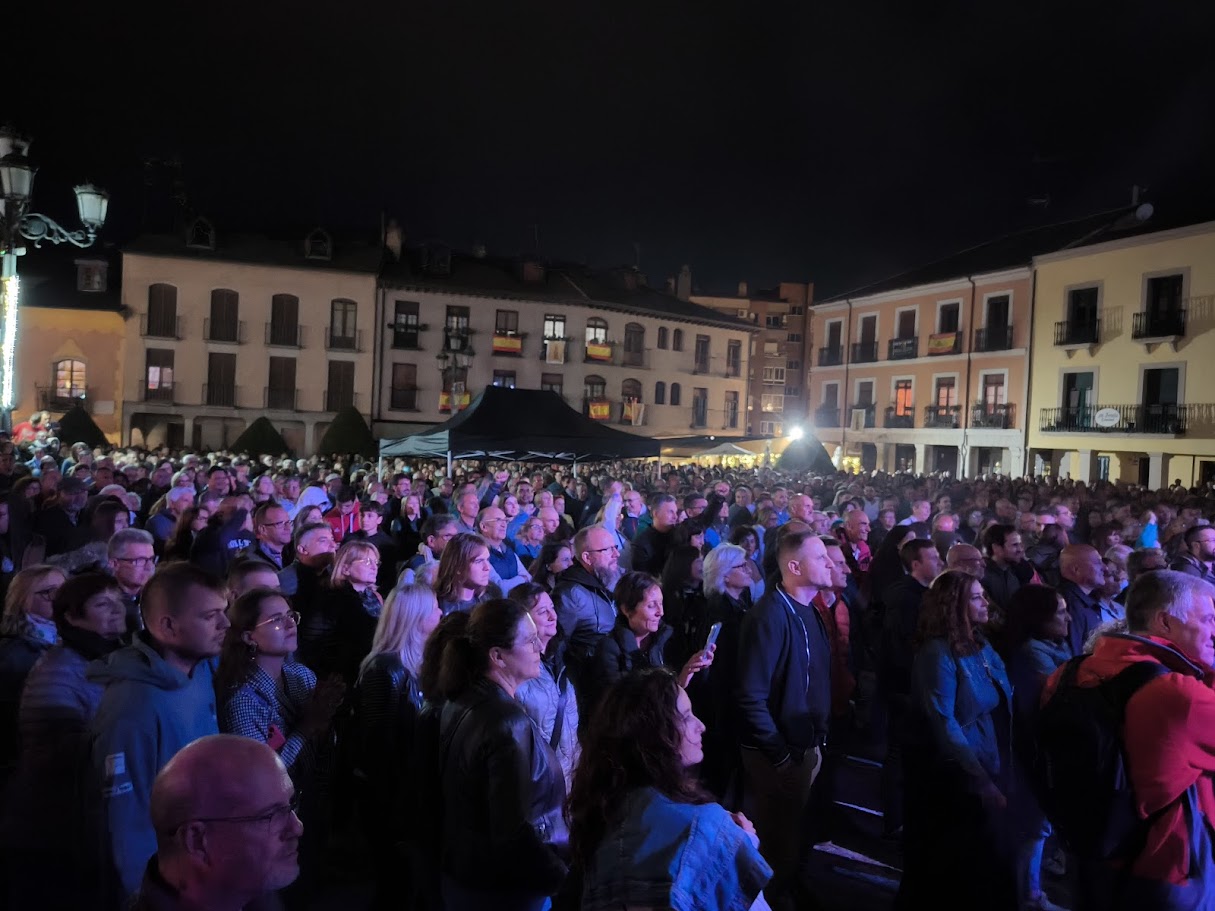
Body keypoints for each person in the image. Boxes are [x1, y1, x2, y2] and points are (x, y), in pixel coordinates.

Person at [568, 667, 772, 911]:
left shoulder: (600, 821)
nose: (701, 725)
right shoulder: (708, 825)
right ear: (652, 735)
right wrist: (743, 842)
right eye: (686, 716)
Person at [89, 562, 231, 902]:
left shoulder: (200, 672)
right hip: (167, 886)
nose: (225, 624)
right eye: (211, 615)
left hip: (203, 865)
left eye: (224, 612)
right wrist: (145, 896)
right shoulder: (132, 707)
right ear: (168, 626)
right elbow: (126, 819)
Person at [431, 599, 568, 910]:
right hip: (504, 891)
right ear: (497, 656)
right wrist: (561, 878)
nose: (540, 648)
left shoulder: (461, 700)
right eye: (530, 641)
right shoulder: (508, 722)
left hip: (466, 876)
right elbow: (513, 830)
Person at [0, 571, 126, 907]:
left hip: (87, 820)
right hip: (56, 826)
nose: (117, 610)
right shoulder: (58, 669)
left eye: (118, 602)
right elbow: (56, 754)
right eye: (102, 604)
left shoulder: (107, 658)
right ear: (71, 616)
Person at [897, 570, 1015, 911]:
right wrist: (980, 780)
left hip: (987, 760)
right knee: (949, 866)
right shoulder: (938, 653)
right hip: (954, 776)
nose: (985, 602)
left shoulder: (980, 644)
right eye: (977, 597)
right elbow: (944, 721)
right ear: (955, 605)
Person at [734, 528, 835, 911]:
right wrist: (778, 756)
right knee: (775, 847)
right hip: (776, 754)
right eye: (820, 558)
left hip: (805, 746)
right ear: (794, 567)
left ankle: (789, 890)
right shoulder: (769, 617)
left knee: (794, 837)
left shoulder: (810, 609)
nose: (828, 563)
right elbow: (750, 696)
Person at [135, 734, 302, 910]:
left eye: (290, 804)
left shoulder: (253, 889)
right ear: (197, 841)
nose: (297, 827)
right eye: (271, 815)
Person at [354, 583, 442, 910]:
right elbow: (377, 745)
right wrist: (399, 802)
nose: (441, 612)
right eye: (434, 608)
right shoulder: (384, 669)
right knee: (396, 884)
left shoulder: (418, 664)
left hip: (411, 792)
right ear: (416, 617)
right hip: (391, 799)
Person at [1001, 584, 1070, 911]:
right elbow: (1053, 701)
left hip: (1036, 751)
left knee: (1035, 829)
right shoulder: (1032, 655)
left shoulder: (1049, 647)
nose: (1067, 617)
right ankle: (1026, 898)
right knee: (1031, 828)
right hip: (1030, 752)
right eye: (1059, 611)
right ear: (1038, 618)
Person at [584, 572, 714, 713]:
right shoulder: (608, 648)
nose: (661, 612)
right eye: (652, 606)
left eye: (661, 603)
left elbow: (678, 691)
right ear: (627, 609)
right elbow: (618, 704)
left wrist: (692, 671)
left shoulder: (668, 639)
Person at [513, 583, 581, 790]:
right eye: (543, 612)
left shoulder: (559, 659)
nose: (554, 616)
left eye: (552, 608)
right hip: (541, 785)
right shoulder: (519, 673)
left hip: (569, 780)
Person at [0, 564, 65, 780]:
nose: (61, 599)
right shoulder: (15, 655)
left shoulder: (68, 642)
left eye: (65, 591)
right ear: (24, 599)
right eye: (50, 593)